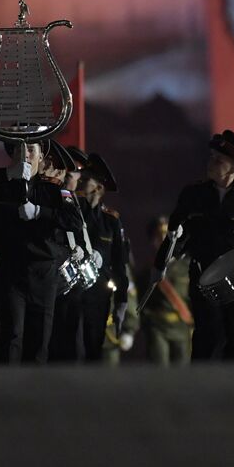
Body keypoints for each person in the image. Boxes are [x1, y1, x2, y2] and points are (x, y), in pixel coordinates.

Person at [0, 139, 84, 364]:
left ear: (40, 156)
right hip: (11, 272)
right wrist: (9, 174)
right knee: (11, 336)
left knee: (39, 342)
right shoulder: (3, 186)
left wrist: (40, 212)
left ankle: (33, 395)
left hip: (44, 273)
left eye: (30, 149)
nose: (25, 153)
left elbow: (74, 221)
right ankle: (5, 394)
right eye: (19, 148)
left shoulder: (53, 188)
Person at [167, 130, 234, 361]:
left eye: (219, 161)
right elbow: (176, 229)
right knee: (206, 338)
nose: (211, 163)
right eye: (211, 157)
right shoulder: (193, 194)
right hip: (202, 276)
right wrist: (168, 253)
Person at [53, 152, 129, 362]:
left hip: (98, 293)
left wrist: (121, 301)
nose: (81, 183)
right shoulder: (73, 211)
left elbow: (119, 263)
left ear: (99, 188)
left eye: (86, 180)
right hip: (71, 289)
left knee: (94, 345)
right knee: (66, 344)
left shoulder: (111, 220)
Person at [141, 216, 193, 366]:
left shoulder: (187, 266)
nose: (163, 239)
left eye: (166, 234)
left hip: (182, 326)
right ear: (153, 240)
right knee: (159, 373)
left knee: (182, 374)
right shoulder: (147, 271)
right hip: (158, 327)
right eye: (158, 235)